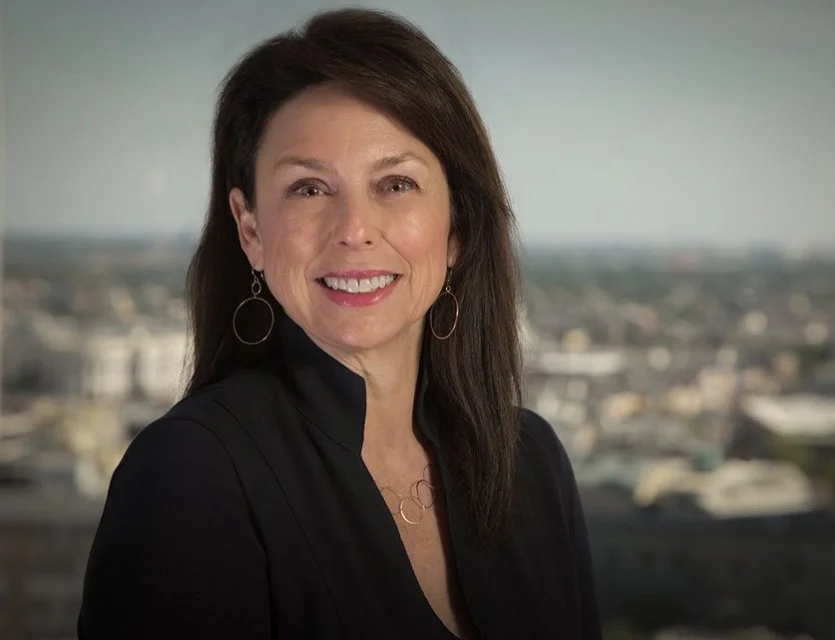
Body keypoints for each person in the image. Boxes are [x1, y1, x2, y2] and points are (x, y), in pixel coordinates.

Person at [78, 8, 600, 640]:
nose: (354, 230)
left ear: (457, 226)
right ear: (251, 231)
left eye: (396, 183)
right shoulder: (190, 475)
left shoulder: (529, 460)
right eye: (309, 189)